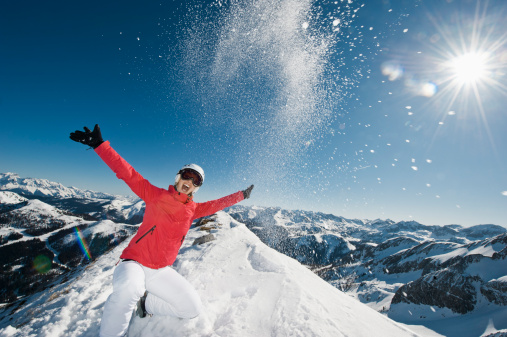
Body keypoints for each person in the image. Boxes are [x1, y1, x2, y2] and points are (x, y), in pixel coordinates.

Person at [70, 124, 254, 337]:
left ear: (197, 188)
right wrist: (100, 146)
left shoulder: (194, 209)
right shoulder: (155, 195)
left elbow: (217, 204)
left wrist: (241, 195)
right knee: (129, 290)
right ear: (178, 177)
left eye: (196, 181)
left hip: (160, 270)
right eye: (187, 175)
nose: (190, 182)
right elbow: (127, 173)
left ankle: (148, 305)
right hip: (134, 263)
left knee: (191, 308)